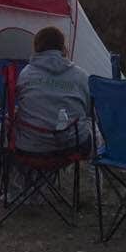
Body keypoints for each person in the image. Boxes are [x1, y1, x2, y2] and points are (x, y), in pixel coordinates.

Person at [14, 26, 92, 156]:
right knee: (92, 124)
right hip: (74, 145)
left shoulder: (25, 74)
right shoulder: (81, 75)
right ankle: (96, 173)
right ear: (62, 47)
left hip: (31, 148)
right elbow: (89, 110)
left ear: (36, 47)